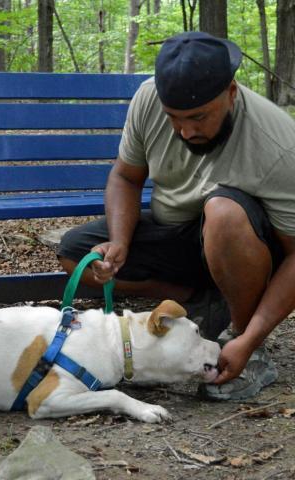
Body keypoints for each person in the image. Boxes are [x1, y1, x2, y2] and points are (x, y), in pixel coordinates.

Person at [58, 31, 295, 401]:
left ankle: (246, 343)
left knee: (224, 213)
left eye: (199, 117)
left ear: (231, 93)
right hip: (175, 233)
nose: (185, 131)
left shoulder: (278, 145)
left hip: (241, 243)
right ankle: (199, 302)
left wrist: (252, 338)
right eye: (174, 118)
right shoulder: (148, 98)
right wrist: (119, 241)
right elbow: (125, 176)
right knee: (76, 254)